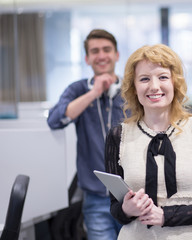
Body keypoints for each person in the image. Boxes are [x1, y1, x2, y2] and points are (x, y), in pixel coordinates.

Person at [105, 44, 192, 239]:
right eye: (144, 79)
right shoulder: (118, 135)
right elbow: (114, 207)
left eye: (163, 77)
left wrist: (166, 215)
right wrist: (126, 209)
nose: (154, 86)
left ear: (175, 82)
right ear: (134, 86)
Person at [47, 29, 123, 239]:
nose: (101, 55)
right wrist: (94, 93)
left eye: (107, 49)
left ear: (116, 55)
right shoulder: (77, 89)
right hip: (96, 197)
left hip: (133, 195)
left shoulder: (132, 90)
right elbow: (55, 120)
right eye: (95, 51)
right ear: (87, 58)